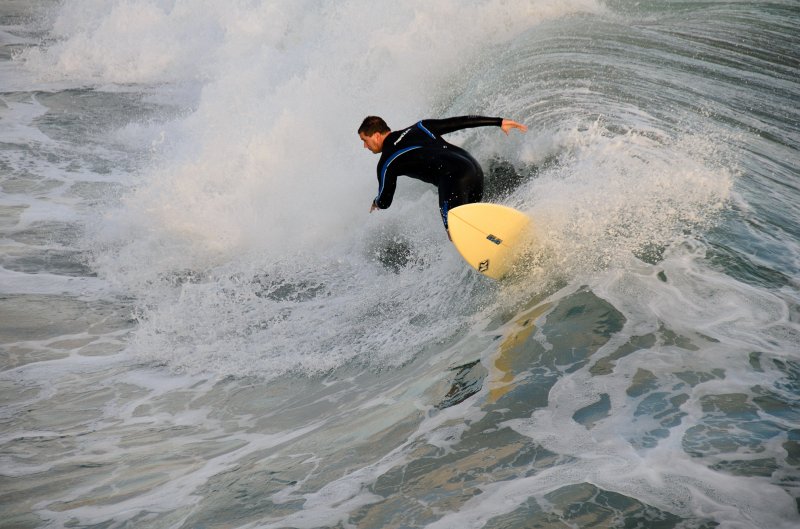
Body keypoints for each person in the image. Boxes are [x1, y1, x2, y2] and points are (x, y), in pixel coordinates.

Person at [358, 115, 527, 237]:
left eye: (365, 140)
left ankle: (495, 247)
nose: (365, 146)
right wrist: (498, 122)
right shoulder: (420, 127)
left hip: (454, 179)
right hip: (473, 168)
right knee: (474, 225)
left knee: (455, 232)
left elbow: (385, 200)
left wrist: (376, 203)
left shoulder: (387, 161)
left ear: (377, 135)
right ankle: (509, 235)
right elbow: (457, 122)